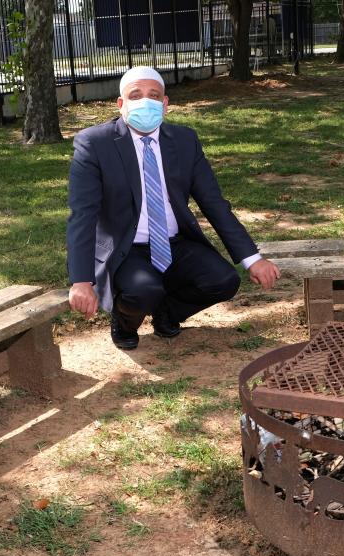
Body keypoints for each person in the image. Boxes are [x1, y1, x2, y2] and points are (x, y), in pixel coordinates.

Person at [66, 66, 281, 349]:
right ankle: (124, 320)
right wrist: (81, 280)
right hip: (125, 248)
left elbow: (213, 203)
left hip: (173, 242)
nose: (145, 101)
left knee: (224, 280)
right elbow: (83, 215)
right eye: (135, 95)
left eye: (154, 95)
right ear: (121, 104)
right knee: (144, 290)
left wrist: (252, 259)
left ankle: (167, 313)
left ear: (165, 104)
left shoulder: (184, 141)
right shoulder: (95, 143)